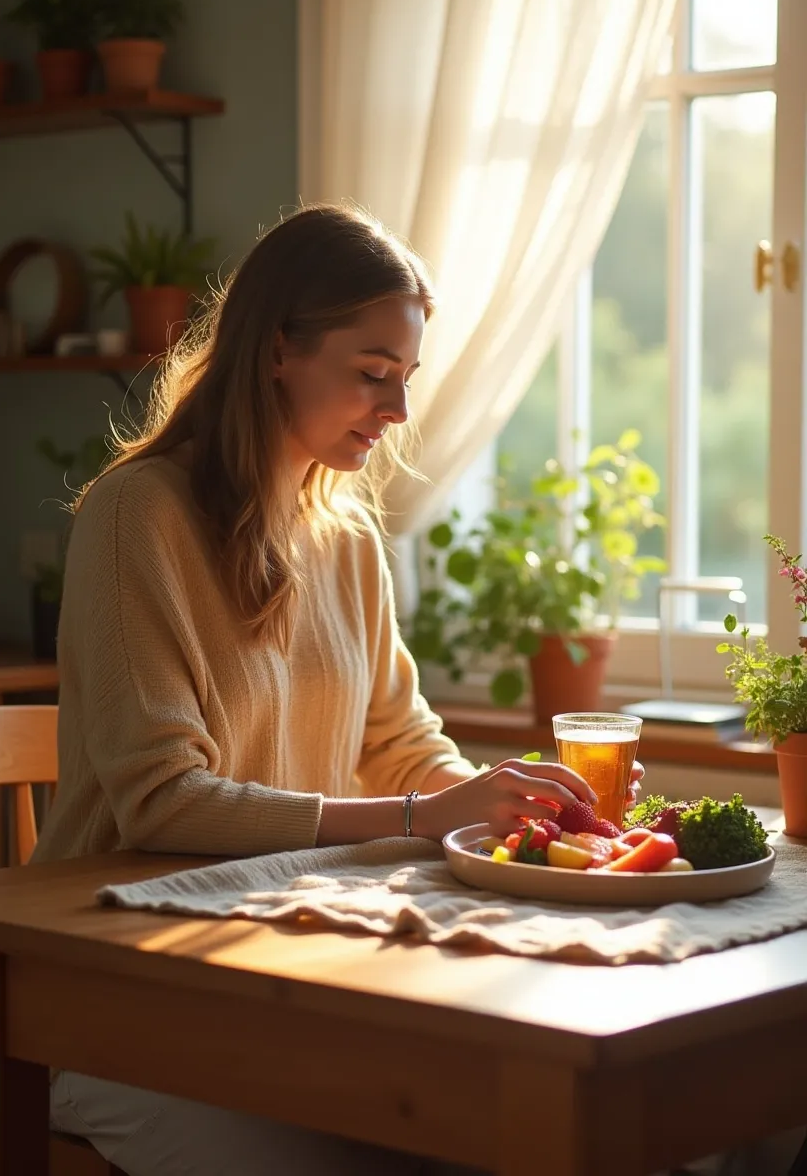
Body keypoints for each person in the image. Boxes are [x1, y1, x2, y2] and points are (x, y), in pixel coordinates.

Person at [34, 203, 643, 1176]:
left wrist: (508, 803)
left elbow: (402, 738)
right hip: (116, 1003)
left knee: (506, 1127)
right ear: (279, 350)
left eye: (406, 379)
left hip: (284, 974)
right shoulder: (134, 516)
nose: (397, 410)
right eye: (372, 374)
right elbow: (158, 797)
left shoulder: (347, 537)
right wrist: (420, 809)